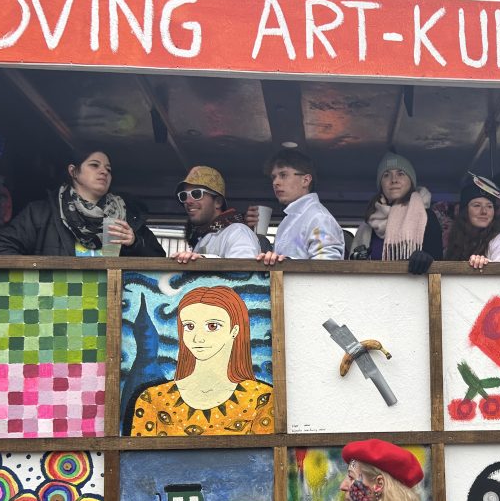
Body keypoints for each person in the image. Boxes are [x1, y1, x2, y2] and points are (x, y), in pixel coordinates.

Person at [128, 286, 273, 435]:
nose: (197, 338)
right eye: (189, 326)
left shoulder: (262, 399)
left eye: (212, 326)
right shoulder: (152, 398)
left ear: (234, 331)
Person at [0, 149, 164, 257]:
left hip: (113, 305)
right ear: (73, 171)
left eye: (108, 169)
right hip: (57, 305)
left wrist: (134, 243)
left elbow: (160, 262)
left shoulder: (125, 215)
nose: (104, 172)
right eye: (94, 165)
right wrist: (36, 281)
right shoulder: (41, 213)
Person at [350, 153, 442, 274]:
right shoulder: (368, 225)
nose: (394, 180)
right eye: (386, 175)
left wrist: (426, 258)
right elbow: (353, 269)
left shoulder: (426, 217)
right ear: (381, 184)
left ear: (411, 181)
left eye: (400, 174)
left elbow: (439, 264)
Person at [251, 149, 345, 264]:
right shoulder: (290, 219)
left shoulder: (319, 217)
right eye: (273, 177)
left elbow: (327, 267)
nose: (275, 182)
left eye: (283, 175)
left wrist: (288, 263)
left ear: (305, 180)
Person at [171, 166, 261, 263]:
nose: (188, 201)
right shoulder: (202, 239)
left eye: (196, 194)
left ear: (218, 202)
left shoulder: (237, 232)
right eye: (184, 195)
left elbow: (244, 268)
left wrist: (204, 260)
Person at [443, 176, 500, 268]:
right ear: (465, 211)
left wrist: (486, 265)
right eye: (477, 205)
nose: (484, 211)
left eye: (489, 206)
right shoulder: (454, 242)